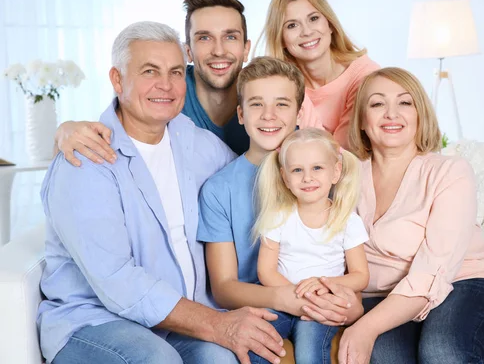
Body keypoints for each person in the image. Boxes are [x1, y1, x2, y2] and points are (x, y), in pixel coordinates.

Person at [37, 21, 287, 364]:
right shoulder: (86, 161)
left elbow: (253, 175)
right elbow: (118, 282)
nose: (166, 85)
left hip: (180, 322)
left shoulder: (197, 143)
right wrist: (217, 323)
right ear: (117, 79)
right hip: (97, 323)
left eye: (174, 71)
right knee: (157, 360)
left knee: (223, 360)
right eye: (149, 71)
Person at [336, 67, 484, 364]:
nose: (391, 113)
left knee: (441, 350)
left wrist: (365, 328)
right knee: (384, 357)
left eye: (405, 103)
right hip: (389, 300)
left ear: (420, 115)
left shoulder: (449, 171)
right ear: (361, 120)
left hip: (467, 284)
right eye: (377, 103)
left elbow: (434, 268)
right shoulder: (345, 178)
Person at [197, 57, 365, 349]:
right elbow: (223, 288)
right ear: (240, 113)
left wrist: (352, 304)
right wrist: (285, 298)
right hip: (260, 304)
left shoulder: (323, 175)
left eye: (282, 104)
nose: (269, 115)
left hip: (322, 295)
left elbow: (347, 263)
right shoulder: (219, 189)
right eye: (257, 104)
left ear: (299, 112)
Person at [55, 0, 252, 164]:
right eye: (204, 38)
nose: (218, 51)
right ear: (188, 51)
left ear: (246, 49)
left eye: (230, 37)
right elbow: (110, 134)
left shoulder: (261, 92)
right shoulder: (166, 90)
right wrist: (65, 131)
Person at [249, 127, 370, 364]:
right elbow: (266, 271)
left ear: (335, 172)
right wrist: (296, 297)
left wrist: (325, 286)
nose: (307, 177)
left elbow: (360, 276)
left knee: (309, 352)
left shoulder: (347, 220)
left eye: (317, 168)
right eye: (297, 170)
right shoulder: (278, 217)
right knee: (257, 343)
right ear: (285, 177)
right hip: (283, 302)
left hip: (321, 308)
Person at [257, 0, 380, 149]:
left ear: (329, 24)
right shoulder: (281, 83)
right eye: (292, 25)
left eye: (313, 18)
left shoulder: (364, 74)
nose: (307, 32)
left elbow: (343, 150)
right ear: (281, 39)